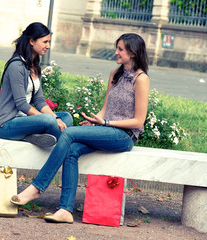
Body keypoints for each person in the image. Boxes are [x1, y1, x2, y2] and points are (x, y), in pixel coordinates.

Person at [10, 33, 150, 223]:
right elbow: (105, 108)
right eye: (116, 47)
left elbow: (138, 122)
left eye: (120, 49)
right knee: (72, 151)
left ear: (133, 53)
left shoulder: (141, 79)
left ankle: (36, 188)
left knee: (68, 132)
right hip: (105, 130)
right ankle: (65, 210)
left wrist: (107, 124)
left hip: (123, 137)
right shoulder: (114, 74)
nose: (115, 52)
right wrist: (96, 121)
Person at [0, 22, 73, 148]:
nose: (48, 46)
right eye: (45, 42)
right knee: (49, 120)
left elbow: (39, 101)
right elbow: (21, 104)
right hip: (7, 125)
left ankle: (32, 136)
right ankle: (43, 134)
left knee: (66, 117)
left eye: (49, 42)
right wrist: (50, 120)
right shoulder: (16, 66)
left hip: (24, 120)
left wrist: (56, 119)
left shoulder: (34, 66)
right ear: (32, 41)